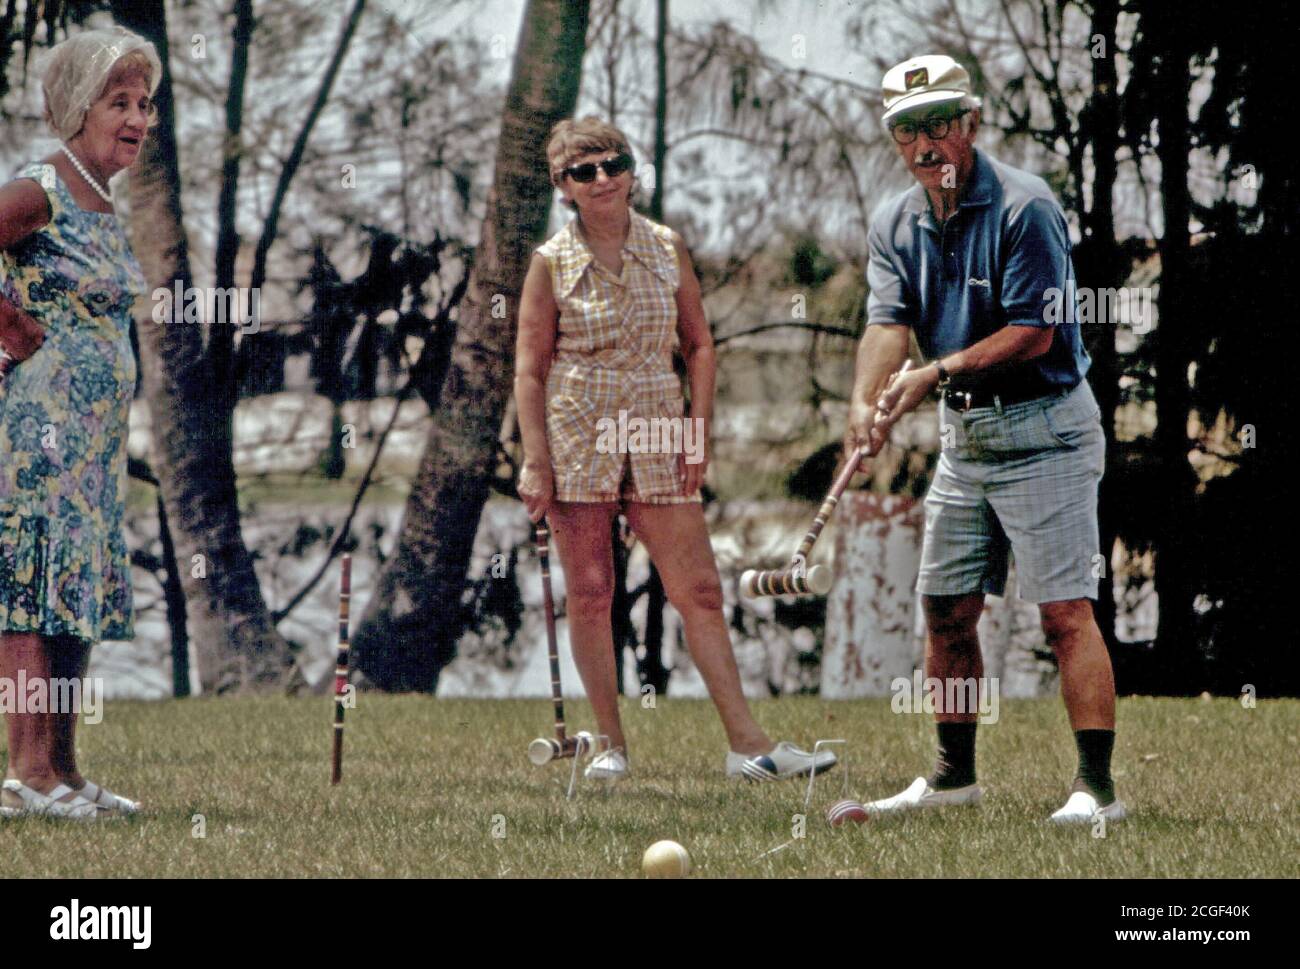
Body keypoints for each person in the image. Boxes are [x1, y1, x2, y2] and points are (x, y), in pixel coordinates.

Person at [844, 56, 1124, 823]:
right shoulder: (895, 222)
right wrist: (864, 404)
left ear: (970, 122)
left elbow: (1036, 333)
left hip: (1048, 431)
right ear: (895, 140)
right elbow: (886, 323)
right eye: (908, 128)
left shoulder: (1025, 208)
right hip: (968, 439)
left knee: (1065, 611)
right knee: (944, 606)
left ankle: (1096, 791)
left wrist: (934, 373)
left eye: (939, 121)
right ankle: (952, 778)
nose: (925, 140)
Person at [514, 116, 835, 783]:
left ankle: (750, 745)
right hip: (578, 428)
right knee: (593, 591)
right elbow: (529, 367)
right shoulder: (550, 262)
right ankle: (610, 744)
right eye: (584, 171)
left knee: (699, 588)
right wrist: (535, 459)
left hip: (661, 424)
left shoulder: (668, 246)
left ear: (632, 172)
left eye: (614, 164)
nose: (602, 179)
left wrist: (699, 427)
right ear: (564, 187)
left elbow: (700, 345)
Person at [0, 26, 160, 819]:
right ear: (76, 105)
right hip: (39, 435)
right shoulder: (41, 187)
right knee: (31, 591)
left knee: (73, 586)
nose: (137, 117)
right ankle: (26, 773)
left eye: (145, 103)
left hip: (93, 447)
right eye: (119, 101)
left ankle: (62, 768)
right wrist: (11, 327)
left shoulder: (99, 195)